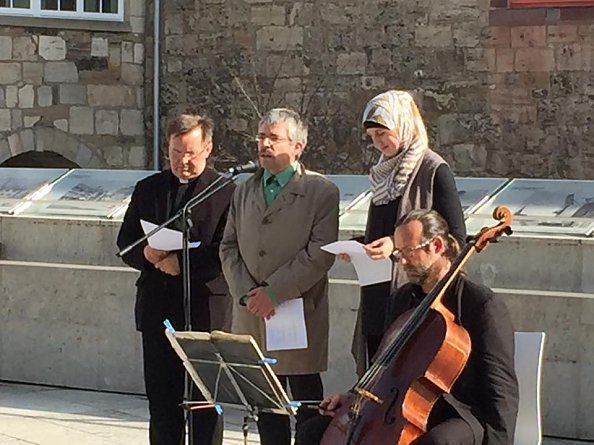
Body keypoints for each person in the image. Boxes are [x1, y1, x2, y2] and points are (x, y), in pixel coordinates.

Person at [297, 209, 519, 445]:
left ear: (436, 245)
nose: (401, 262)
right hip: (400, 406)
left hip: (458, 410)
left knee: (436, 441)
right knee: (312, 431)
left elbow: (501, 389)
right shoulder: (403, 299)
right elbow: (385, 365)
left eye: (408, 252)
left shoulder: (481, 304)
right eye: (398, 253)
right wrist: (353, 397)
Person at [219, 108, 340, 445]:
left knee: (306, 409)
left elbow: (320, 252)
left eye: (273, 138)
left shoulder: (321, 191)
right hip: (253, 316)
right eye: (261, 137)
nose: (264, 144)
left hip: (297, 313)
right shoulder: (244, 190)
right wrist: (247, 293)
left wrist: (274, 291)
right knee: (265, 408)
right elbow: (228, 246)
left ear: (298, 146)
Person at [116, 113, 236, 445]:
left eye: (191, 153)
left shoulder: (227, 191)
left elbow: (227, 250)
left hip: (205, 310)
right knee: (162, 402)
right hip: (158, 310)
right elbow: (125, 242)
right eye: (175, 152)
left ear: (208, 148)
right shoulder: (149, 189)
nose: (183, 161)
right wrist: (146, 255)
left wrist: (181, 263)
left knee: (205, 403)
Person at [348, 90, 467, 370]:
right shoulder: (383, 172)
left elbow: (455, 237)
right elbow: (385, 227)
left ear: (403, 124)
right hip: (378, 293)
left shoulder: (433, 169)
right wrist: (359, 246)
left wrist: (395, 245)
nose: (378, 143)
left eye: (383, 133)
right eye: (372, 136)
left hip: (412, 293)